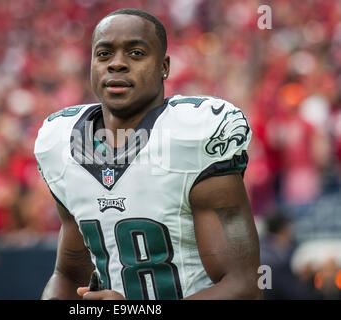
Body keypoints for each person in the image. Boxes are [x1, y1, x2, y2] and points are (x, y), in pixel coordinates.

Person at [34, 8, 261, 300]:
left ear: (164, 66)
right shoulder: (64, 143)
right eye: (104, 54)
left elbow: (243, 287)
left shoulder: (193, 135)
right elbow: (68, 274)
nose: (117, 64)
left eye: (136, 53)